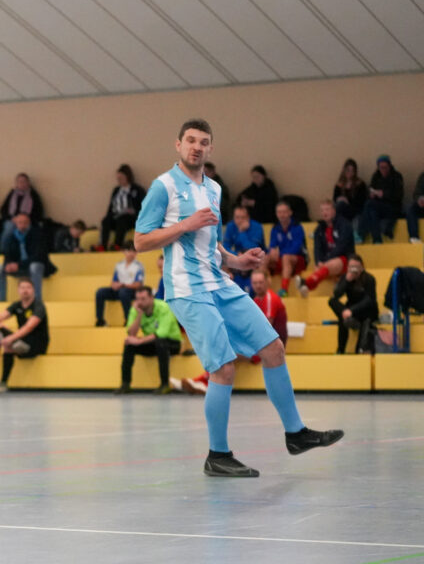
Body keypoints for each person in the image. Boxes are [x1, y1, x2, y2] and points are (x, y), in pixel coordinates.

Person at [135, 118, 342, 478]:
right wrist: (183, 225)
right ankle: (217, 455)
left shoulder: (213, 189)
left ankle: (296, 434)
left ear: (211, 149)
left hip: (220, 282)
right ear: (178, 145)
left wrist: (236, 260)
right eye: (190, 141)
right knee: (223, 368)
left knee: (273, 348)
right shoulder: (163, 187)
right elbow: (141, 241)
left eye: (203, 142)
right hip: (188, 289)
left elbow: (209, 243)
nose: (196, 147)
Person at [177, 270, 288, 395]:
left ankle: (205, 382)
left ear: (268, 282)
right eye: (255, 283)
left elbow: (266, 331)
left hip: (268, 348)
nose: (258, 286)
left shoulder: (270, 299)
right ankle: (204, 381)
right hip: (258, 345)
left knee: (227, 352)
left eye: (261, 282)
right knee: (224, 346)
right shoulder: (256, 299)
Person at [114, 286, 182, 395]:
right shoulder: (136, 309)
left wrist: (139, 341)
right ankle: (125, 384)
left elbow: (161, 333)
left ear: (151, 298)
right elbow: (131, 333)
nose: (140, 302)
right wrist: (139, 315)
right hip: (153, 343)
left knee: (161, 342)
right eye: (138, 299)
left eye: (143, 299)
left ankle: (165, 384)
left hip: (172, 343)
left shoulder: (164, 307)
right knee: (129, 344)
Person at [0, 279, 49, 393]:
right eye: (22, 288)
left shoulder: (39, 306)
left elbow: (29, 327)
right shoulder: (17, 305)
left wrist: (11, 338)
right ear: (18, 290)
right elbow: (0, 316)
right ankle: (3, 384)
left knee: (9, 343)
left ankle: (11, 345)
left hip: (36, 344)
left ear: (33, 290)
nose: (25, 291)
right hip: (21, 341)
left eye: (28, 288)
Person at [296, 200, 355, 297]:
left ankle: (306, 283)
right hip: (327, 263)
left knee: (329, 264)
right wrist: (319, 261)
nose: (324, 213)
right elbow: (317, 249)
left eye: (327, 209)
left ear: (334, 211)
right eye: (322, 210)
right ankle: (307, 286)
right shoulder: (319, 229)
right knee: (320, 267)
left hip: (345, 260)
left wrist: (325, 261)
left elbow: (342, 247)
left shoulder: (345, 225)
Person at [0, 213, 56, 302]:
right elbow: (7, 254)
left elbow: (39, 256)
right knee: (0, 268)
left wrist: (19, 265)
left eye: (25, 222)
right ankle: (1, 299)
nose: (22, 225)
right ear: (16, 224)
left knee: (35, 266)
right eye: (20, 222)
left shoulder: (37, 234)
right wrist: (8, 264)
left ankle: (37, 301)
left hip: (37, 268)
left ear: (29, 223)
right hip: (20, 268)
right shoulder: (11, 237)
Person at [329, 254, 378, 354]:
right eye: (351, 267)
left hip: (365, 311)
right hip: (350, 310)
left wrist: (352, 310)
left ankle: (358, 347)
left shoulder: (369, 279)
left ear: (362, 267)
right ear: (347, 268)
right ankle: (340, 350)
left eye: (357, 267)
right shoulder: (346, 278)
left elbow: (370, 300)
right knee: (333, 303)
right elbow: (336, 294)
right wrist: (347, 280)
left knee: (347, 318)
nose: (354, 270)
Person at [94, 240, 144, 327]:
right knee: (100, 292)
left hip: (131, 291)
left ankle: (128, 319)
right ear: (124, 251)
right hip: (120, 290)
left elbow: (138, 284)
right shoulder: (119, 265)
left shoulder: (138, 266)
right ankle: (100, 320)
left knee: (123, 292)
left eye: (133, 251)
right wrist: (115, 285)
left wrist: (123, 285)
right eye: (129, 250)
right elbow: (114, 281)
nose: (131, 253)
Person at [98, 164, 146, 251]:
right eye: (118, 179)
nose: (119, 181)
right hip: (116, 216)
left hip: (131, 218)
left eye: (121, 178)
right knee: (106, 221)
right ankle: (103, 245)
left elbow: (143, 207)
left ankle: (117, 244)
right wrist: (109, 216)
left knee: (122, 220)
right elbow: (111, 207)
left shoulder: (137, 190)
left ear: (127, 177)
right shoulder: (116, 190)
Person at [359, 155, 404, 244]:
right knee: (372, 211)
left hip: (392, 207)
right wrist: (372, 194)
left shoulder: (397, 176)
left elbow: (399, 195)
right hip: (378, 206)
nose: (383, 170)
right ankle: (377, 239)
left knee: (369, 205)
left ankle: (361, 233)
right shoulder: (376, 177)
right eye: (381, 167)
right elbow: (371, 189)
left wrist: (384, 194)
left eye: (385, 167)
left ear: (389, 166)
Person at [266, 200, 307, 297]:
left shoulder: (297, 227)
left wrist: (279, 254)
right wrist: (271, 253)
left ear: (290, 212)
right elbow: (272, 246)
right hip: (282, 259)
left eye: (284, 212)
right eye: (279, 212)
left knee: (286, 257)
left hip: (298, 260)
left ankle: (284, 290)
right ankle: (264, 291)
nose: (282, 215)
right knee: (265, 259)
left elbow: (296, 249)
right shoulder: (275, 228)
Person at [221, 204, 265, 295]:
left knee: (262, 261)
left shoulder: (257, 226)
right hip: (238, 255)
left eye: (242, 217)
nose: (239, 221)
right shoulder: (231, 226)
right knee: (221, 261)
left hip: (256, 257)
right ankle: (226, 290)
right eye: (237, 217)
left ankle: (260, 294)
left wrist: (242, 232)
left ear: (248, 217)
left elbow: (253, 248)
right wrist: (236, 255)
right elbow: (225, 247)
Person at [0, 172, 44, 251]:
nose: (22, 184)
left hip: (28, 220)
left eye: (24, 181)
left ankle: (29, 253)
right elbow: (3, 209)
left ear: (28, 183)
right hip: (12, 220)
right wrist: (12, 218)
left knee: (30, 231)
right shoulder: (12, 194)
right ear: (16, 183)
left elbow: (39, 211)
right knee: (8, 230)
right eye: (19, 181)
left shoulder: (33, 195)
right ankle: (3, 252)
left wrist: (25, 220)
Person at [333, 158, 367, 227]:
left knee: (341, 205)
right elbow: (334, 199)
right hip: (342, 210)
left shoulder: (360, 184)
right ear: (344, 170)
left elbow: (361, 201)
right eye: (348, 170)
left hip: (355, 210)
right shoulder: (339, 185)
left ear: (355, 172)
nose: (350, 173)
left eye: (352, 171)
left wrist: (347, 201)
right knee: (339, 205)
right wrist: (340, 199)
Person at [407, 171, 424, 244]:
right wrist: (419, 199)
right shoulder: (423, 176)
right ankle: (414, 238)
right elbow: (416, 193)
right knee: (411, 209)